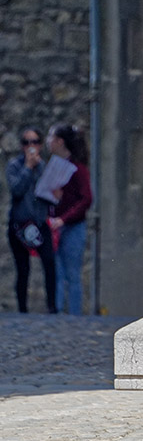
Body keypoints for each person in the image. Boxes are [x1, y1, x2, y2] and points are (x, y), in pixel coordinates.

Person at [6, 126, 57, 313]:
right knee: (22, 268)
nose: (31, 146)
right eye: (27, 142)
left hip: (40, 223)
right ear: (22, 146)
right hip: (19, 225)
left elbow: (52, 194)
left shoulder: (45, 167)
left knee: (49, 263)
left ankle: (52, 307)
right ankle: (22, 309)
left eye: (35, 142)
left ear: (40, 144)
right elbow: (16, 189)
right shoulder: (14, 166)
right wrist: (28, 167)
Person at [46, 124, 93, 315]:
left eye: (51, 137)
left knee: (72, 274)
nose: (47, 141)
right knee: (57, 273)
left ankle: (74, 316)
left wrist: (63, 219)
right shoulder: (54, 166)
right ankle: (56, 312)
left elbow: (86, 199)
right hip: (55, 226)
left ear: (59, 142)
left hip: (73, 227)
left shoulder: (78, 168)